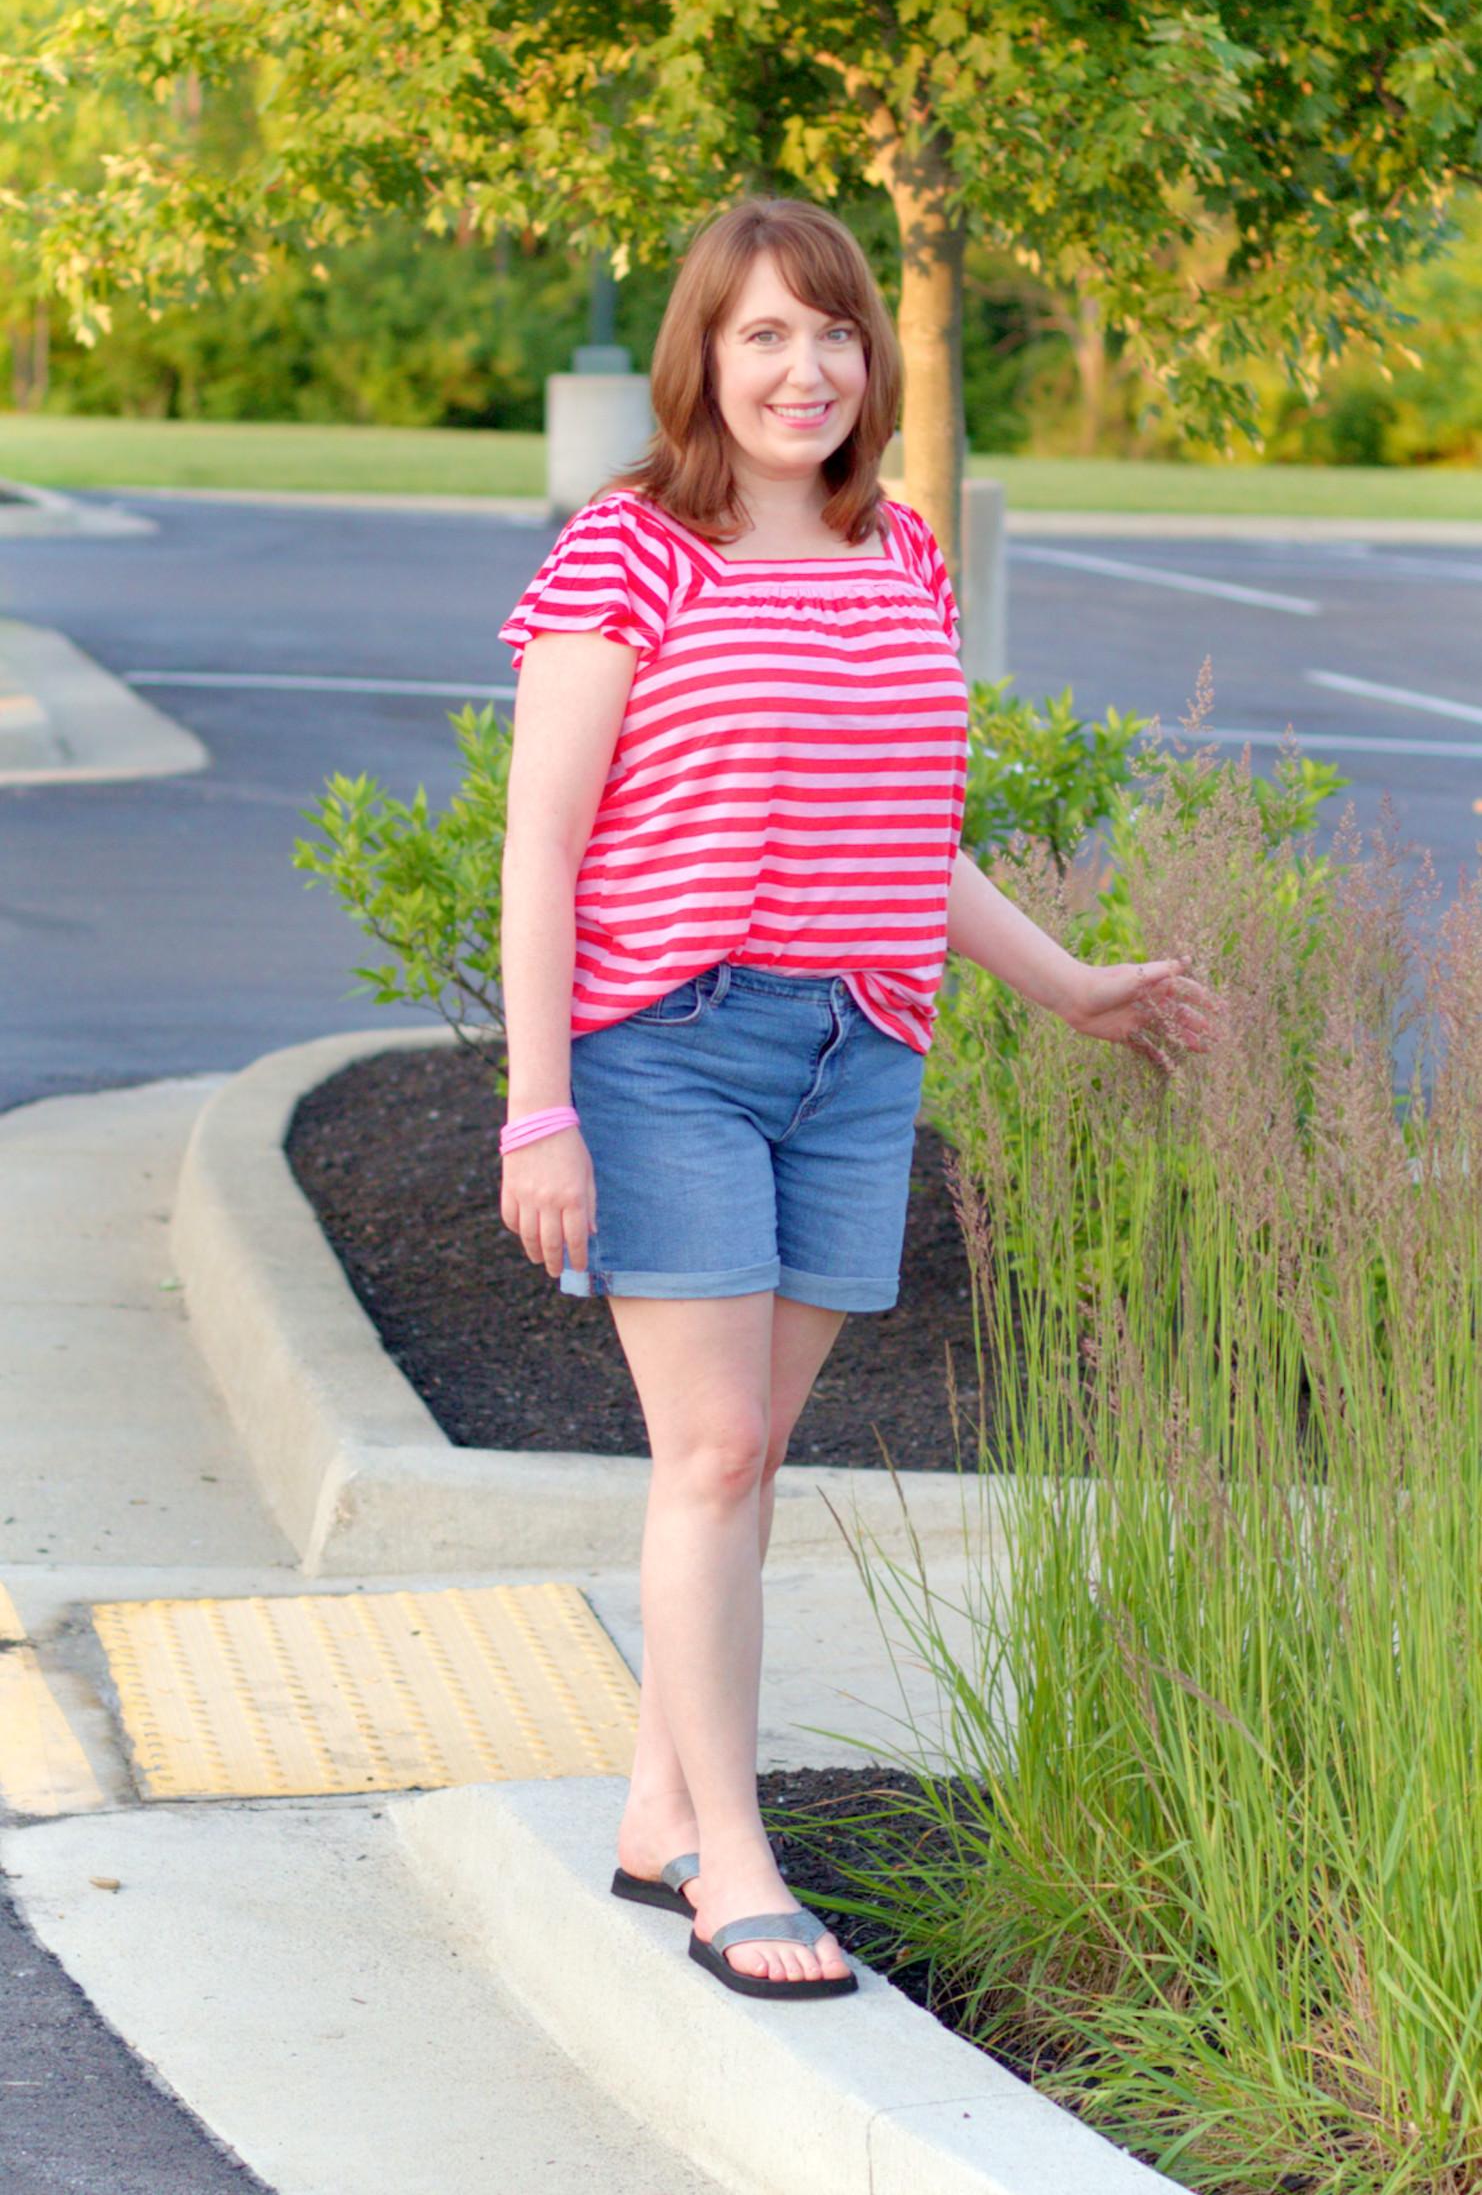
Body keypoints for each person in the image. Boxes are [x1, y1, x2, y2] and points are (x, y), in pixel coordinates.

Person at [497, 199, 1208, 2000]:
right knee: (715, 1455)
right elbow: (543, 844)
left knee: (741, 1462)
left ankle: (662, 1805)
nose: (801, 369)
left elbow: (904, 837)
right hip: (667, 1043)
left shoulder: (901, 553)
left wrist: (1065, 985)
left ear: (867, 359)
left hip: (855, 1054)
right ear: (701, 359)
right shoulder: (629, 553)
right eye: (761, 336)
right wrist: (535, 1109)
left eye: (831, 334)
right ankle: (733, 1859)